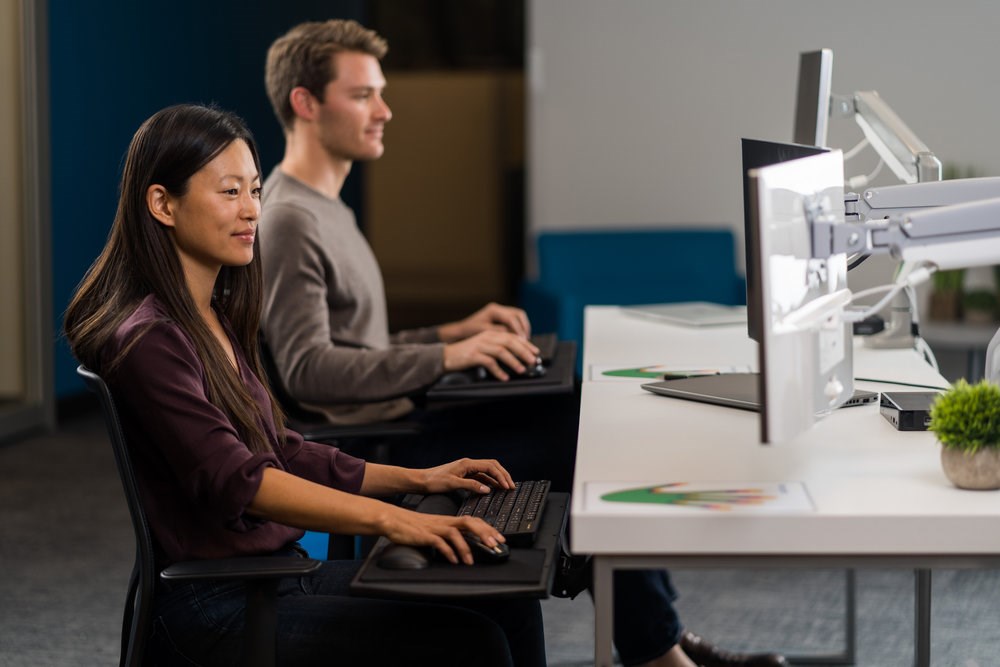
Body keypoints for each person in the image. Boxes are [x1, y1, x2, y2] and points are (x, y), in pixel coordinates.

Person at [258, 19, 787, 667]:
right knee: (588, 431)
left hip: (400, 417)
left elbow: (355, 345)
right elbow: (310, 371)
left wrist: (453, 332)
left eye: (380, 93)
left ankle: (661, 644)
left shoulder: (325, 207)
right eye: (363, 94)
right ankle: (660, 650)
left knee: (581, 406)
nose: (385, 110)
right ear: (305, 104)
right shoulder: (287, 219)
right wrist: (447, 357)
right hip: (381, 447)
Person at [63, 103, 547, 667]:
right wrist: (400, 519)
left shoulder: (213, 315)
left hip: (273, 579)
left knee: (506, 598)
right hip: (217, 607)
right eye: (229, 192)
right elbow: (240, 481)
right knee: (472, 643)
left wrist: (418, 479)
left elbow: (281, 449)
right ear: (162, 204)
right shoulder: (149, 341)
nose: (251, 211)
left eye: (256, 190)